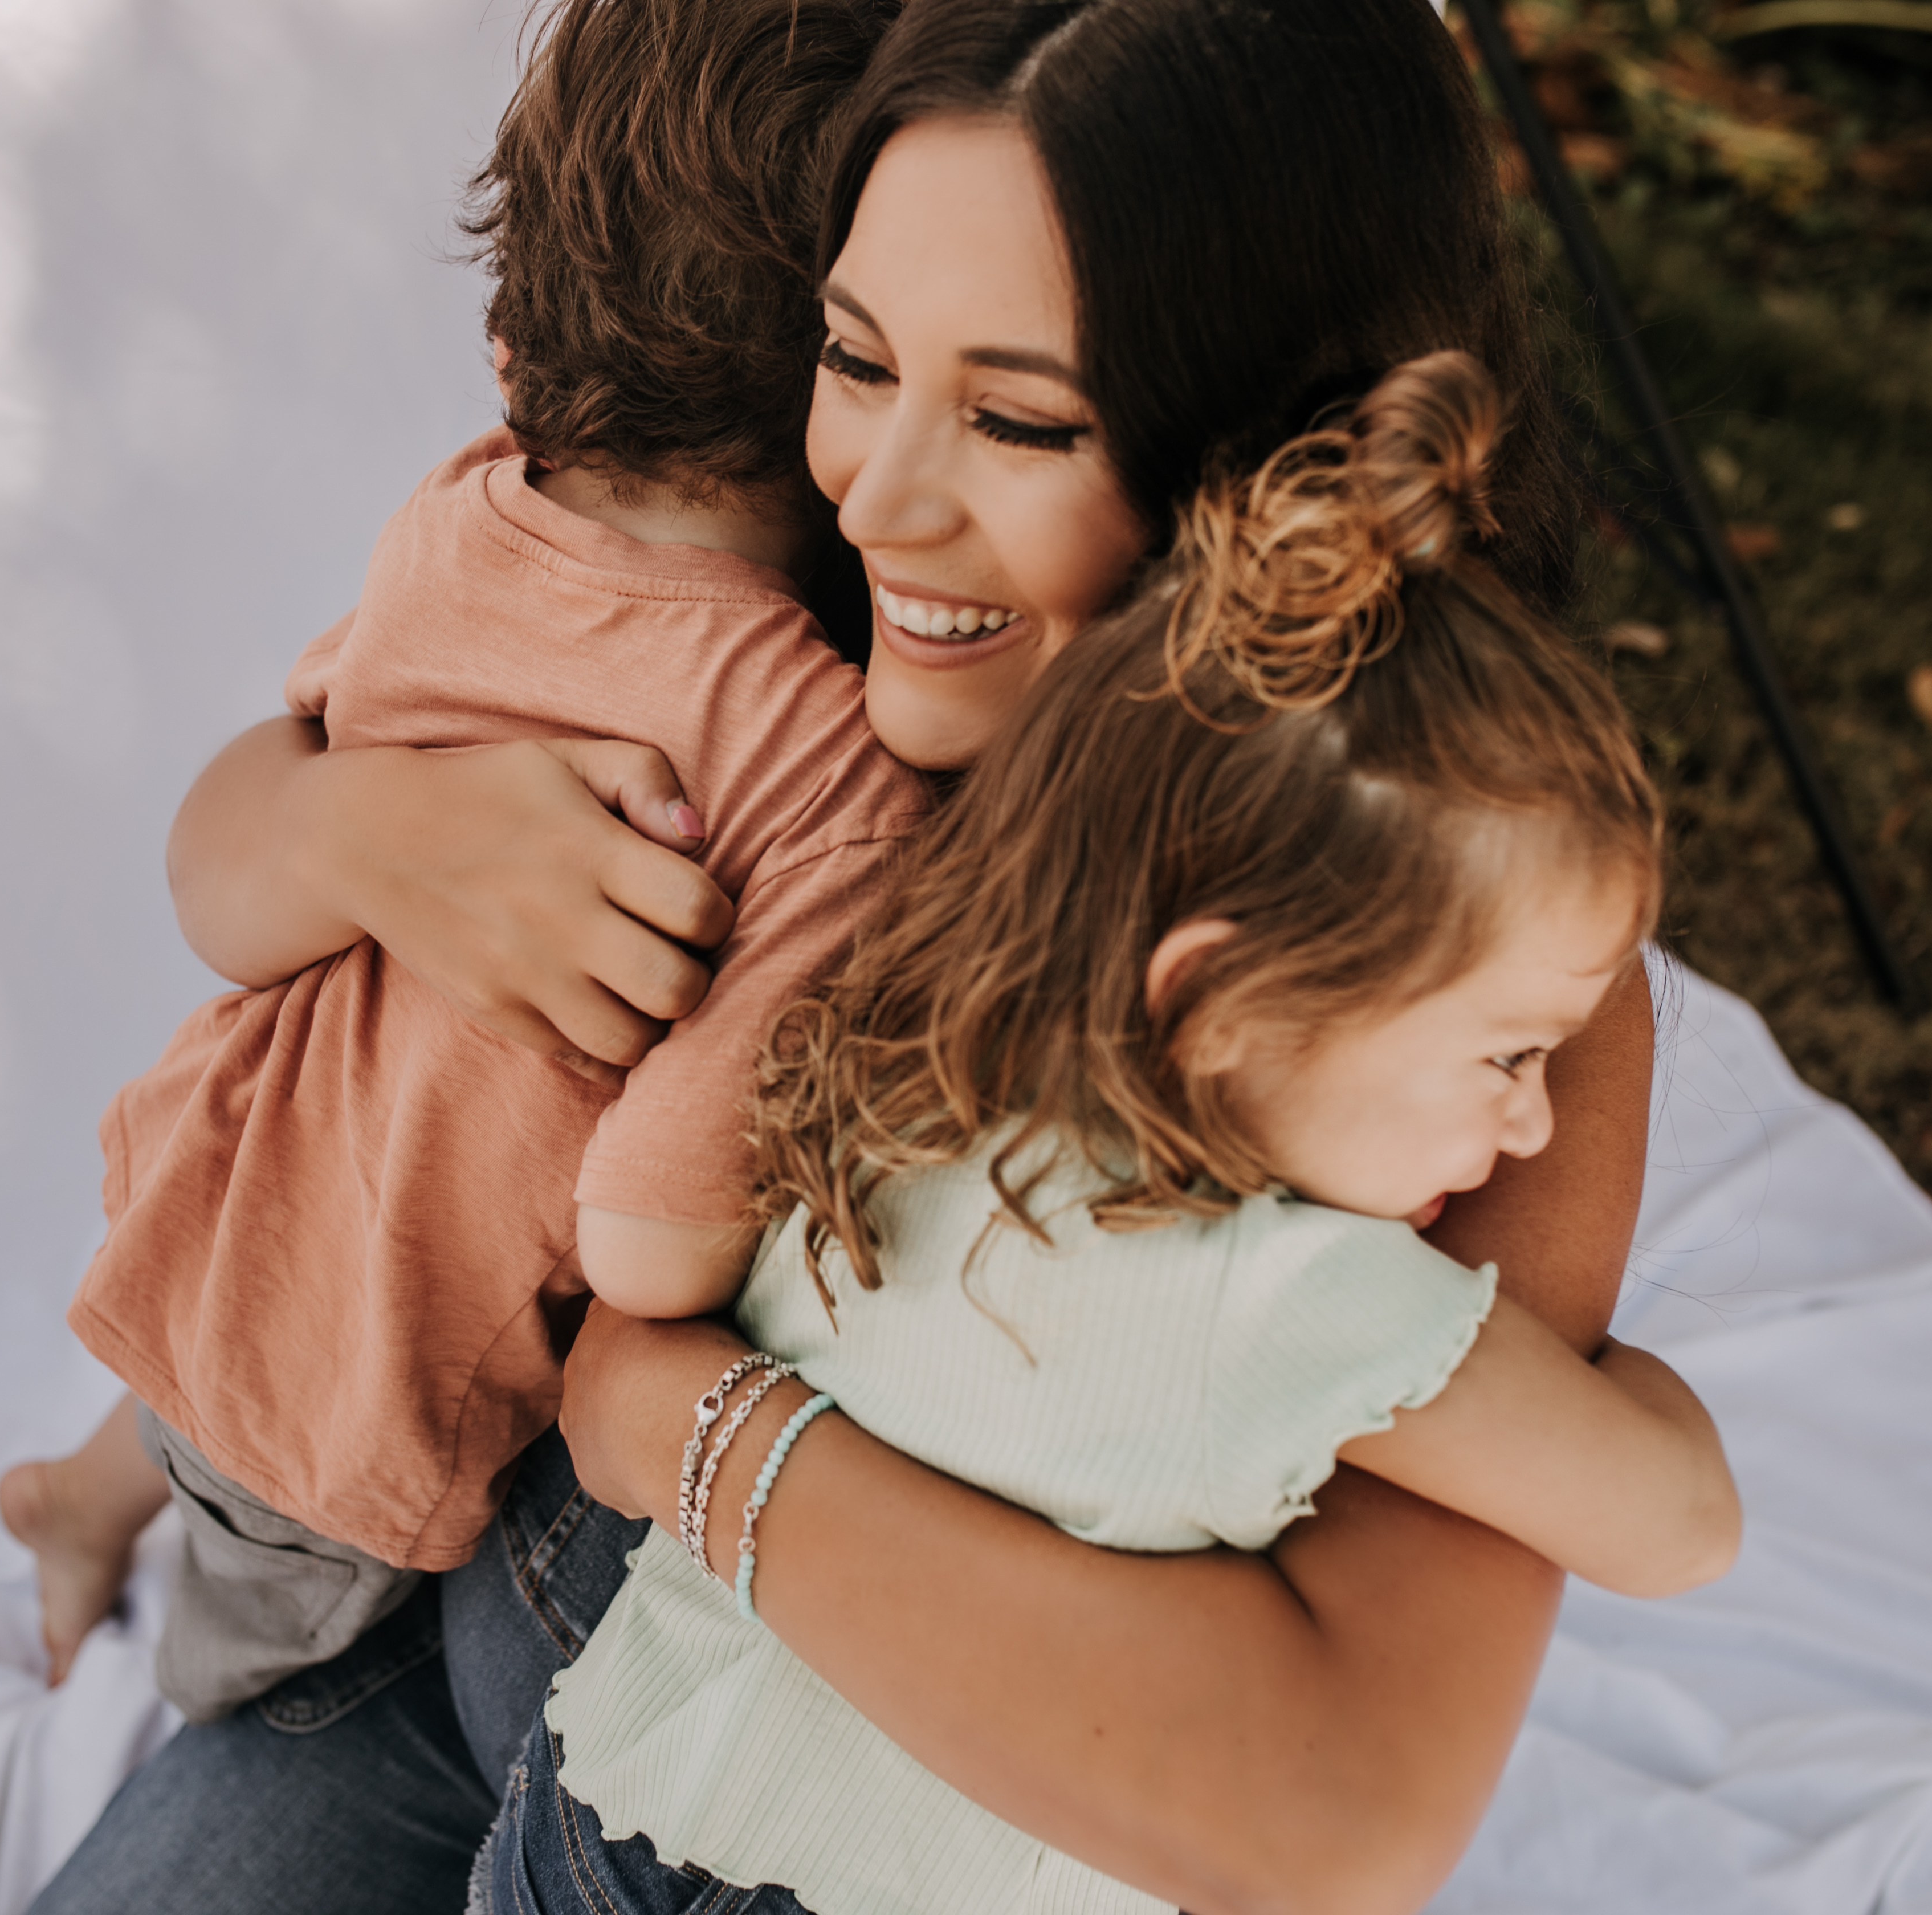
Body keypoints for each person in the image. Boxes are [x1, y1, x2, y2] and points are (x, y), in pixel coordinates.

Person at [38, 2, 1654, 1910]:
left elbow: (1334, 1815)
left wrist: (684, 1418)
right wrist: (359, 835)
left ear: (1279, 458)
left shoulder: (1432, 959)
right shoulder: (797, 622)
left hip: (774, 1822)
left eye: (1023, 417)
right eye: (855, 356)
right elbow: (269, 798)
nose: (873, 496)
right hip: (436, 1645)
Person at [487, 352, 1741, 1915]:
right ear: (1218, 1005)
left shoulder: (909, 1058)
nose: (1536, 1121)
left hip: (597, 1815)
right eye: (1502, 1054)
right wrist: (1617, 1383)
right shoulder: (1295, 1300)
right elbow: (1682, 1522)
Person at [0, 0, 920, 1715]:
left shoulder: (468, 513)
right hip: (371, 1378)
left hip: (244, 1160)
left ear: (512, 345)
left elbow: (302, 752)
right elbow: (656, 1230)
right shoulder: (825, 757)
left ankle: (71, 1500)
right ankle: (126, 1603)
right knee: (251, 1640)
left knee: (224, 1350)